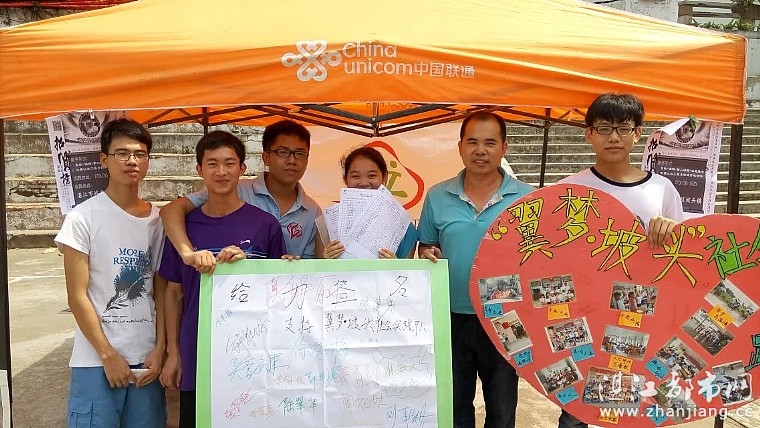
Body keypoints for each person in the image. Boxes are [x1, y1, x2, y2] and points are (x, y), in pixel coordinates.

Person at [556, 93, 684, 428]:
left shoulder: (662, 189)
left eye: (623, 128)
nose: (613, 137)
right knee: (576, 411)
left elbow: (680, 259)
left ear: (637, 133)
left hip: (639, 315)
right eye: (604, 128)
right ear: (589, 134)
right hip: (584, 314)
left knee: (633, 406)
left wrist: (670, 233)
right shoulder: (568, 190)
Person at [158, 131, 286, 428]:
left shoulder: (265, 225)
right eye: (212, 164)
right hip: (196, 349)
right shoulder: (184, 229)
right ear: (199, 169)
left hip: (251, 353)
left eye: (229, 163)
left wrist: (246, 267)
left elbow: (279, 292)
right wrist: (173, 353)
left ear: (242, 169)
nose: (221, 171)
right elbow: (173, 293)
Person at [418, 112, 534, 428]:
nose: (480, 151)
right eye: (472, 142)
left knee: (502, 408)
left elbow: (538, 258)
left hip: (506, 318)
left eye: (490, 143)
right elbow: (426, 245)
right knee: (455, 407)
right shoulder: (437, 196)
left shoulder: (527, 197)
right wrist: (428, 252)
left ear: (504, 148)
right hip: (450, 317)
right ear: (460, 147)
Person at [55, 118, 166, 427]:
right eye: (122, 153)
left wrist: (160, 349)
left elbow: (160, 290)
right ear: (104, 159)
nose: (132, 161)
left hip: (145, 360)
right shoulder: (83, 217)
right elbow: (77, 296)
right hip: (95, 361)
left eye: (140, 154)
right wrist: (107, 355)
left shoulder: (158, 220)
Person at [159, 120, 322, 270]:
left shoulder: (312, 211)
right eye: (283, 152)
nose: (292, 160)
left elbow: (310, 265)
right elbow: (170, 210)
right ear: (266, 157)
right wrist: (187, 253)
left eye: (300, 153)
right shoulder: (234, 189)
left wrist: (293, 265)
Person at [320, 146, 418, 259]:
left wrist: (395, 265)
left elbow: (408, 268)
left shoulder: (405, 227)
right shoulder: (329, 222)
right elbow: (317, 267)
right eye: (356, 176)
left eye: (372, 176)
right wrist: (325, 260)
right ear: (345, 179)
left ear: (384, 177)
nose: (364, 183)